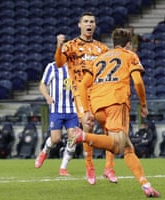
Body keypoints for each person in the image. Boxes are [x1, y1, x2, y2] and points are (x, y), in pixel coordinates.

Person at [70, 28, 160, 198]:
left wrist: (87, 110)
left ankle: (145, 185)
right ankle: (83, 137)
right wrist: (143, 105)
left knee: (127, 148)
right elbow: (138, 82)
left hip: (97, 105)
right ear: (128, 44)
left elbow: (82, 85)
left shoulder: (99, 59)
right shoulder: (129, 54)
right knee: (118, 145)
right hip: (116, 101)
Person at [54, 12, 117, 184]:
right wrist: (59, 45)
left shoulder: (102, 48)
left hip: (100, 92)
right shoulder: (71, 45)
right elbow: (59, 63)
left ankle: (109, 168)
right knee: (88, 126)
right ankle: (89, 166)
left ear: (95, 26)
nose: (89, 24)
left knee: (110, 128)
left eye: (92, 21)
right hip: (80, 92)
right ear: (79, 25)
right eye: (86, 21)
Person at [35, 62, 79, 176]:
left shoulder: (76, 66)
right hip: (56, 109)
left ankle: (63, 168)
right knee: (55, 139)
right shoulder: (52, 66)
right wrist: (47, 97)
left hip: (72, 110)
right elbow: (42, 84)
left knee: (73, 138)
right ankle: (44, 151)